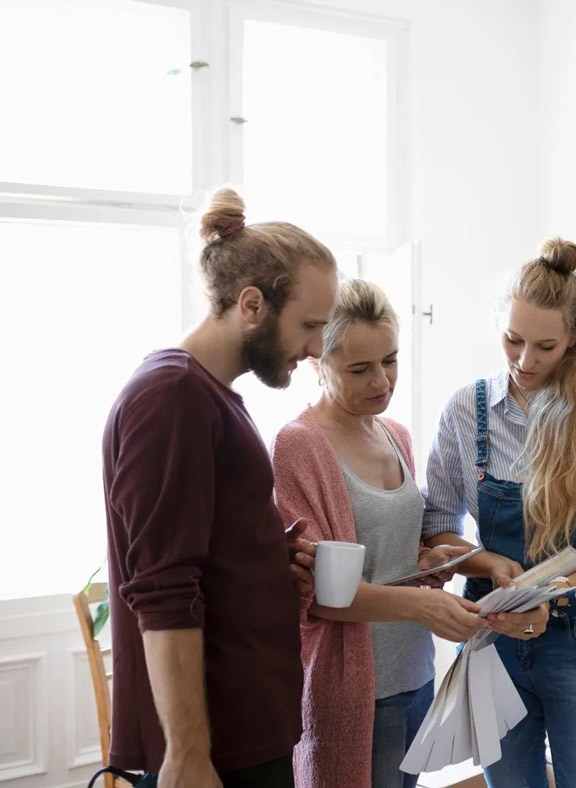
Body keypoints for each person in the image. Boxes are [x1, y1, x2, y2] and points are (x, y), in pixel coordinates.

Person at [101, 187, 337, 788]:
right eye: (309, 326)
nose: (316, 350)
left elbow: (200, 548)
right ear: (252, 304)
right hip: (215, 748)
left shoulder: (208, 397)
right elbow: (161, 587)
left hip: (243, 728)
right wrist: (186, 753)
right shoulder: (172, 398)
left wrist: (257, 555)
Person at [423, 237, 576, 787]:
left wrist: (548, 603)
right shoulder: (467, 409)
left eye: (545, 347)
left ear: (574, 338)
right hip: (493, 634)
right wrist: (489, 567)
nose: (525, 362)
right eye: (513, 340)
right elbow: (437, 528)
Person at [270, 278, 490, 788]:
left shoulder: (396, 436)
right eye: (360, 369)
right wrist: (422, 606)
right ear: (316, 364)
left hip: (415, 673)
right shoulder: (299, 445)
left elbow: (391, 550)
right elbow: (321, 595)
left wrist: (428, 565)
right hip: (354, 688)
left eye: (389, 360)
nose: (381, 381)